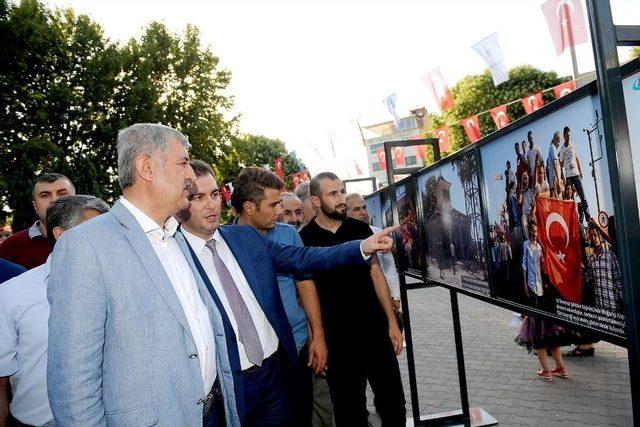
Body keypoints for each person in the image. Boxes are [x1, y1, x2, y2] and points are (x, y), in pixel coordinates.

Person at [47, 123, 241, 426]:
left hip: (211, 414)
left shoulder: (177, 236)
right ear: (147, 167)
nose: (191, 176)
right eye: (183, 162)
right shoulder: (84, 246)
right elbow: (73, 385)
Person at [175, 164, 396, 426]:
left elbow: (303, 258)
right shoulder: (175, 255)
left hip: (274, 374)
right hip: (228, 386)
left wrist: (361, 247)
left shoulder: (243, 238)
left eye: (214, 195)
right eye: (198, 197)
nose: (211, 205)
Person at [300, 172, 405, 427]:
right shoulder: (305, 239)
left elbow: (377, 275)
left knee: (393, 402)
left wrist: (392, 323)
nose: (341, 199)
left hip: (374, 330)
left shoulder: (359, 229)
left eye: (342, 191)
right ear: (315, 201)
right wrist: (318, 337)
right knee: (350, 410)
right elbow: (306, 290)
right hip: (338, 340)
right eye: (333, 194)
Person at [0, 195, 109, 427]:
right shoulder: (13, 292)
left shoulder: (121, 288)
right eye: (95, 232)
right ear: (61, 235)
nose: (106, 241)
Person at [515, 220, 570, 382]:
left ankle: (548, 370)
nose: (534, 233)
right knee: (547, 326)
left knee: (538, 328)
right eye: (532, 230)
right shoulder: (526, 245)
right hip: (533, 286)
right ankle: (560, 367)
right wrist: (525, 284)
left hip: (543, 289)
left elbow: (547, 266)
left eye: (536, 230)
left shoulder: (542, 247)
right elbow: (524, 265)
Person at [0, 173, 75, 269]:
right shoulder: (10, 247)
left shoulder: (93, 238)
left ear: (76, 200)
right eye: (45, 195)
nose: (54, 200)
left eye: (62, 194)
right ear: (35, 206)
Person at [345, 193, 401, 307]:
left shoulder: (378, 233)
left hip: (384, 299)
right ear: (346, 213)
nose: (363, 212)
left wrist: (395, 296)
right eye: (357, 209)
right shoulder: (342, 238)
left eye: (364, 208)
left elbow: (389, 266)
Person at [587, 223, 623, 314]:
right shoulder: (591, 258)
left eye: (595, 235)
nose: (593, 238)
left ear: (599, 236)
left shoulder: (610, 256)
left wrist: (622, 302)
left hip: (613, 307)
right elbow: (591, 281)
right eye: (591, 236)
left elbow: (618, 281)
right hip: (598, 307)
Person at [559, 126, 590, 222]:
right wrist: (563, 177)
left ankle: (588, 220)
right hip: (568, 176)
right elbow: (561, 164)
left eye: (569, 135)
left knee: (583, 197)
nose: (569, 137)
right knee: (570, 198)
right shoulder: (561, 149)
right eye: (567, 135)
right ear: (564, 136)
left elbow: (576, 157)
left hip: (576, 174)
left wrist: (580, 170)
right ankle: (572, 219)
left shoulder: (573, 144)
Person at [546, 131, 563, 198]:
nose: (559, 143)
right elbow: (555, 163)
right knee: (557, 201)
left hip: (554, 179)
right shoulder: (552, 148)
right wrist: (558, 180)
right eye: (558, 141)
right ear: (555, 139)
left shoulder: (552, 149)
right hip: (555, 179)